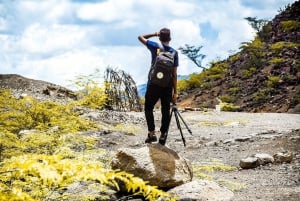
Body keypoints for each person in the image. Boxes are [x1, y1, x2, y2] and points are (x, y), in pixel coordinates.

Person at [138, 28, 179, 145]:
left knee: (148, 107)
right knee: (165, 109)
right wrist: (175, 92)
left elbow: (140, 37)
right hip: (167, 85)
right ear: (170, 39)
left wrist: (154, 34)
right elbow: (174, 74)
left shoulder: (155, 46)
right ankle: (163, 134)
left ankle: (151, 133)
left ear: (160, 38)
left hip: (154, 84)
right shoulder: (174, 53)